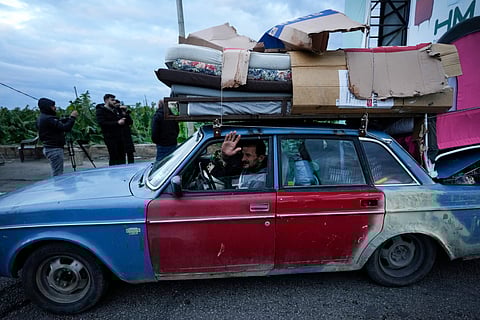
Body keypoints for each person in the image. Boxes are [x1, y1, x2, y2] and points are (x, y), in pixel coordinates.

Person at [36, 97, 78, 176]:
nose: (55, 108)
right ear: (47, 107)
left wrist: (67, 119)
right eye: (52, 106)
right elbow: (65, 128)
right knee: (58, 174)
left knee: (56, 171)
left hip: (49, 147)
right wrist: (72, 118)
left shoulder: (42, 117)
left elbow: (57, 124)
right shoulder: (48, 119)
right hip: (54, 149)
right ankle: (58, 188)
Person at [96, 94, 129, 166]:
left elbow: (129, 122)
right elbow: (102, 123)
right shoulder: (101, 111)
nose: (114, 102)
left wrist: (125, 113)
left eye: (114, 100)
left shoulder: (117, 110)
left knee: (122, 157)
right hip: (110, 138)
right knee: (114, 157)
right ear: (106, 100)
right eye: (112, 100)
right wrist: (117, 123)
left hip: (121, 137)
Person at [114, 99, 135, 163]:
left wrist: (125, 113)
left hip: (126, 134)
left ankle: (131, 165)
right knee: (121, 154)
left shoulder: (124, 112)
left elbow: (130, 122)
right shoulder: (114, 112)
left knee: (130, 153)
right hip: (119, 135)